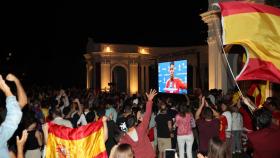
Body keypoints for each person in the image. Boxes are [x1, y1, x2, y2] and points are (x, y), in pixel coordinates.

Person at [119, 89, 157, 158]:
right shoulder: (141, 128)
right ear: (136, 122)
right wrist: (149, 100)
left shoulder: (124, 138)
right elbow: (148, 115)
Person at [0, 74, 27, 158]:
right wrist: (7, 91)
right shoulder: (5, 112)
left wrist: (16, 81)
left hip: (11, 142)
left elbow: (23, 102)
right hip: (12, 140)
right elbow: (16, 112)